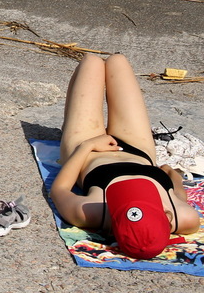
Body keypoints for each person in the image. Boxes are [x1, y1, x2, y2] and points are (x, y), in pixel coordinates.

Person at [51, 53, 200, 259]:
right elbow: (178, 192)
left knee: (91, 62)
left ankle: (75, 126)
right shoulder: (186, 218)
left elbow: (59, 190)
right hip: (138, 150)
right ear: (167, 217)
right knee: (117, 61)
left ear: (113, 224)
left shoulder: (92, 213)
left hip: (89, 152)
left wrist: (88, 145)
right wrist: (171, 173)